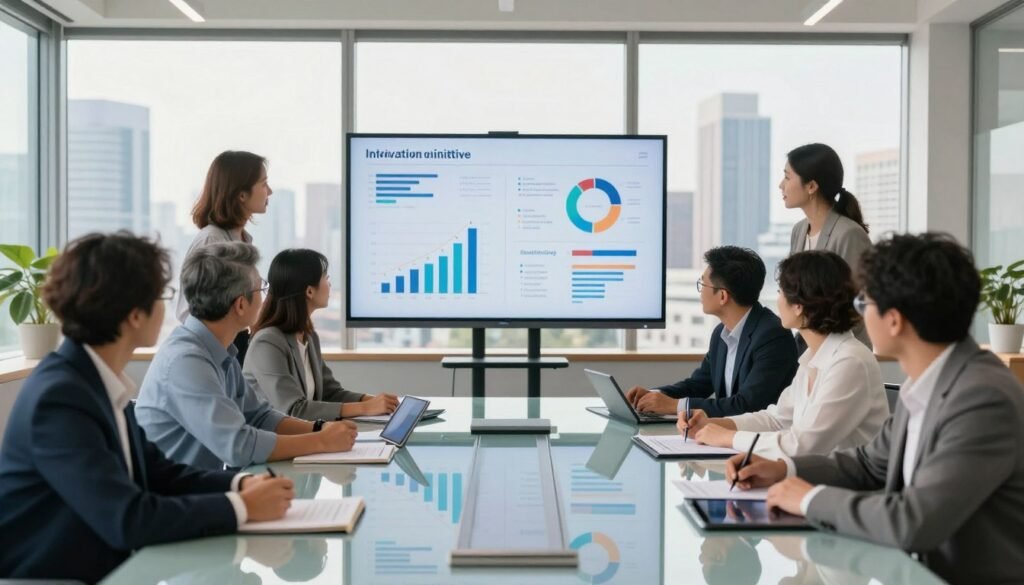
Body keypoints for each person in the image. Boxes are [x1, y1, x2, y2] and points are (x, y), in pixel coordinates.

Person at [726, 233, 1024, 584]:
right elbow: (867, 463)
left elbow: (914, 522)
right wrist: (782, 469)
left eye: (864, 301)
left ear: (894, 320)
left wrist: (810, 499)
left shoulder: (981, 398)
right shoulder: (930, 382)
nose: (858, 311)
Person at [0, 233, 294, 583]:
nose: (170, 309)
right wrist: (241, 507)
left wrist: (241, 483)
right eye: (161, 295)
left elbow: (161, 474)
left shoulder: (95, 382)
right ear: (134, 314)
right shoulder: (60, 398)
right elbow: (128, 518)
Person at [137, 242, 358, 470]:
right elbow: (238, 446)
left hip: (198, 489)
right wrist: (321, 441)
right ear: (241, 305)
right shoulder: (186, 361)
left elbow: (259, 416)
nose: (265, 297)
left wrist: (319, 428)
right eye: (261, 289)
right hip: (172, 498)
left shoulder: (220, 351)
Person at [679, 251, 889, 459]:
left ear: (798, 306)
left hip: (846, 487)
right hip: (814, 478)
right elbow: (777, 419)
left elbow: (803, 445)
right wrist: (714, 423)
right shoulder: (813, 358)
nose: (777, 300)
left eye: (780, 291)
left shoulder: (850, 361)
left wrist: (728, 437)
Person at [626, 246, 799, 417]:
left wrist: (674, 406)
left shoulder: (773, 336)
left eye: (703, 284)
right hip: (726, 436)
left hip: (759, 439)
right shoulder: (721, 334)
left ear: (723, 296)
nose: (700, 292)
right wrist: (654, 394)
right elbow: (698, 385)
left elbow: (747, 405)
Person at [244, 249, 399, 420]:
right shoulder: (267, 342)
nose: (330, 284)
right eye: (326, 278)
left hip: (306, 437)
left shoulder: (309, 336)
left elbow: (330, 392)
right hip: (274, 442)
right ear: (309, 291)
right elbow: (294, 409)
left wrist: (374, 401)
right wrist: (365, 407)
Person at [177, 150, 273, 364]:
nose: (270, 191)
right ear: (241, 194)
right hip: (215, 352)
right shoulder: (212, 241)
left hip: (234, 345)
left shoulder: (242, 239)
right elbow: (189, 312)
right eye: (264, 184)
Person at [781, 143, 872, 348]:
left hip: (844, 349)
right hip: (809, 346)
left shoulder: (849, 234)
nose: (781, 185)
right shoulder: (799, 230)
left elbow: (861, 305)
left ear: (811, 186)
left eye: (787, 177)